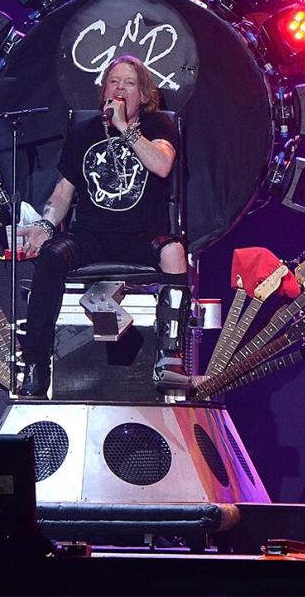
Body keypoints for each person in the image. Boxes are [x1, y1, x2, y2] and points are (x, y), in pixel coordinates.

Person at [16, 55, 187, 398]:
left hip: (142, 234)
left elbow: (162, 164)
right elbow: (64, 192)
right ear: (103, 90)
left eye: (129, 83)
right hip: (91, 235)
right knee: (51, 256)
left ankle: (169, 355)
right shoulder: (84, 132)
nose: (120, 89)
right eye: (114, 82)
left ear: (144, 94)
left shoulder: (158, 127)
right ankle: (35, 364)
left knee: (174, 252)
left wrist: (125, 128)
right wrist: (47, 226)